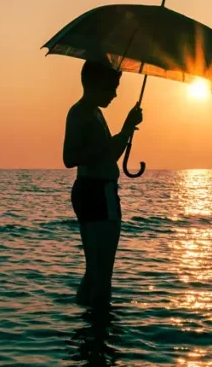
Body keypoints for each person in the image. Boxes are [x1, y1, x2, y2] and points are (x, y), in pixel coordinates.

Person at [63, 59, 143, 308]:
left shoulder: (94, 113)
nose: (116, 93)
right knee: (102, 275)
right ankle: (100, 332)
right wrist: (126, 128)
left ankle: (86, 328)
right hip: (97, 194)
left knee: (94, 271)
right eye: (113, 86)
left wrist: (127, 129)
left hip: (94, 192)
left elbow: (109, 154)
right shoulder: (82, 113)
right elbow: (70, 157)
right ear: (97, 83)